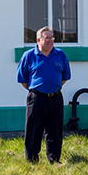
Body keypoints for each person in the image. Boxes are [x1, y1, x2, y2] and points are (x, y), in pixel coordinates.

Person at [17, 26, 71, 163]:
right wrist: (37, 90)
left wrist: (53, 88)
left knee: (55, 130)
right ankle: (32, 159)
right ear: (38, 40)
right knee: (34, 130)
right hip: (36, 98)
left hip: (55, 98)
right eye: (46, 38)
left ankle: (54, 159)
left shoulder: (60, 55)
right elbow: (22, 79)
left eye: (52, 38)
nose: (50, 41)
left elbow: (64, 77)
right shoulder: (29, 56)